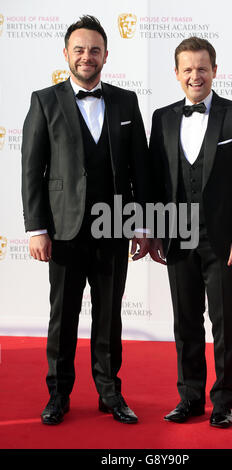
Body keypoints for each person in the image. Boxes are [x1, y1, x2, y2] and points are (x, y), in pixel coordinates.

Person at [21, 15, 150, 425]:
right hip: (63, 230)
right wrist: (36, 229)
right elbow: (32, 169)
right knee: (64, 316)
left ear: (106, 55)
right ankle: (58, 395)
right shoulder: (44, 100)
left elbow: (140, 169)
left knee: (110, 315)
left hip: (114, 228)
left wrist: (143, 224)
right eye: (79, 49)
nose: (87, 56)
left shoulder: (126, 101)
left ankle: (110, 393)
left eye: (94, 49)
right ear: (66, 54)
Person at [149, 37, 232, 428]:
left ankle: (225, 402)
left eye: (202, 68)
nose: (195, 75)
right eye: (188, 69)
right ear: (177, 74)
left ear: (215, 70)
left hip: (224, 239)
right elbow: (154, 180)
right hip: (177, 237)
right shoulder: (162, 118)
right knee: (185, 321)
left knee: (226, 323)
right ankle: (190, 398)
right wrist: (151, 228)